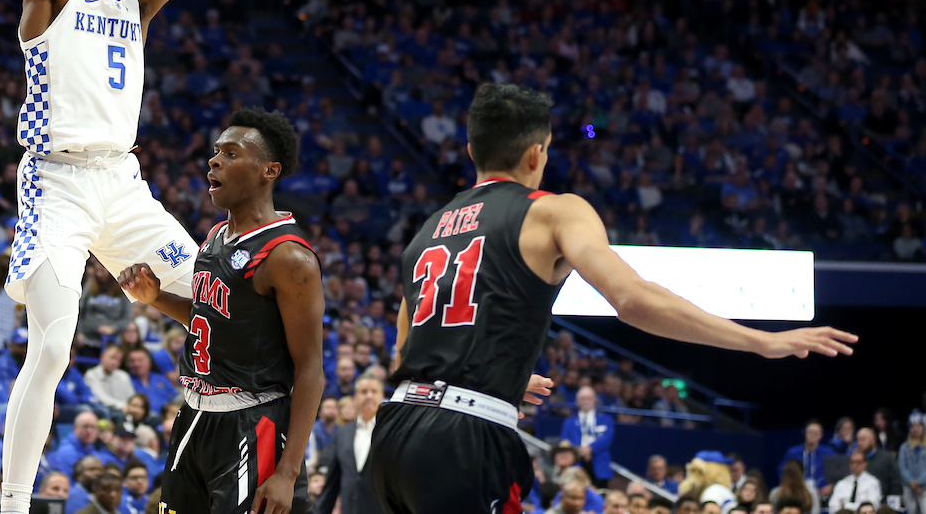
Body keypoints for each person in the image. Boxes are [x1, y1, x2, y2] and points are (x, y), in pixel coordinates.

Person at [367, 84, 857, 514]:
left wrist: (496, 375)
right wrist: (760, 342)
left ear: (472, 147)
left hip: (393, 434)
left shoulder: (429, 229)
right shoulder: (553, 212)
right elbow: (633, 299)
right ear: (537, 153)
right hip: (462, 441)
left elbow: (405, 354)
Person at [0, 0, 208, 514]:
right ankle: (14, 503)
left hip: (123, 185)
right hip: (55, 184)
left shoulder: (136, 0)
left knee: (223, 302)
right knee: (52, 346)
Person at [121, 107, 324, 514]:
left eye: (231, 154)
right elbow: (209, 321)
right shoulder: (215, 236)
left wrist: (287, 472)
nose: (214, 160)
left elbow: (311, 371)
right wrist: (155, 297)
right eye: (216, 152)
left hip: (252, 421)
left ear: (269, 170)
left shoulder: (289, 257)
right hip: (194, 416)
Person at [316, 374, 384, 514]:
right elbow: (332, 484)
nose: (369, 396)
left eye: (374, 392)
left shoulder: (390, 431)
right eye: (364, 392)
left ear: (382, 397)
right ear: (355, 397)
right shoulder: (343, 433)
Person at [561, 386, 614, 487]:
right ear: (577, 402)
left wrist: (590, 449)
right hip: (576, 464)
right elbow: (565, 442)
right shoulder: (569, 423)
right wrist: (580, 451)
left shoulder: (606, 420)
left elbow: (607, 439)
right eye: (582, 398)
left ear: (595, 401)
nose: (586, 401)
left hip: (599, 464)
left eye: (589, 398)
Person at [781, 422, 836, 499]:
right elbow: (783, 471)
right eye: (810, 432)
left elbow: (837, 472)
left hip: (822, 493)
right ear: (805, 434)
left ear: (821, 435)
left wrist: (831, 486)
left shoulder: (828, 452)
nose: (813, 435)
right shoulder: (793, 452)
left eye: (816, 432)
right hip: (797, 492)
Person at [84, 345, 135, 416]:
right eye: (112, 358)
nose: (115, 362)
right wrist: (122, 406)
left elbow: (132, 398)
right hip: (105, 410)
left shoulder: (124, 376)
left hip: (126, 410)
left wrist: (132, 408)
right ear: (102, 356)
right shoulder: (91, 375)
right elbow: (101, 397)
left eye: (118, 360)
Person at [856, 427, 901, 501]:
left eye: (863, 439)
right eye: (858, 440)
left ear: (873, 440)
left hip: (882, 503)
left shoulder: (887, 458)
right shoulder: (854, 460)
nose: (859, 443)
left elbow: (896, 483)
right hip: (859, 502)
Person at [900, 411, 926, 514]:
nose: (915, 429)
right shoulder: (904, 447)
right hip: (908, 486)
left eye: (918, 426)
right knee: (911, 511)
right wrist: (912, 483)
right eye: (912, 426)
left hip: (924, 487)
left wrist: (918, 482)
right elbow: (902, 467)